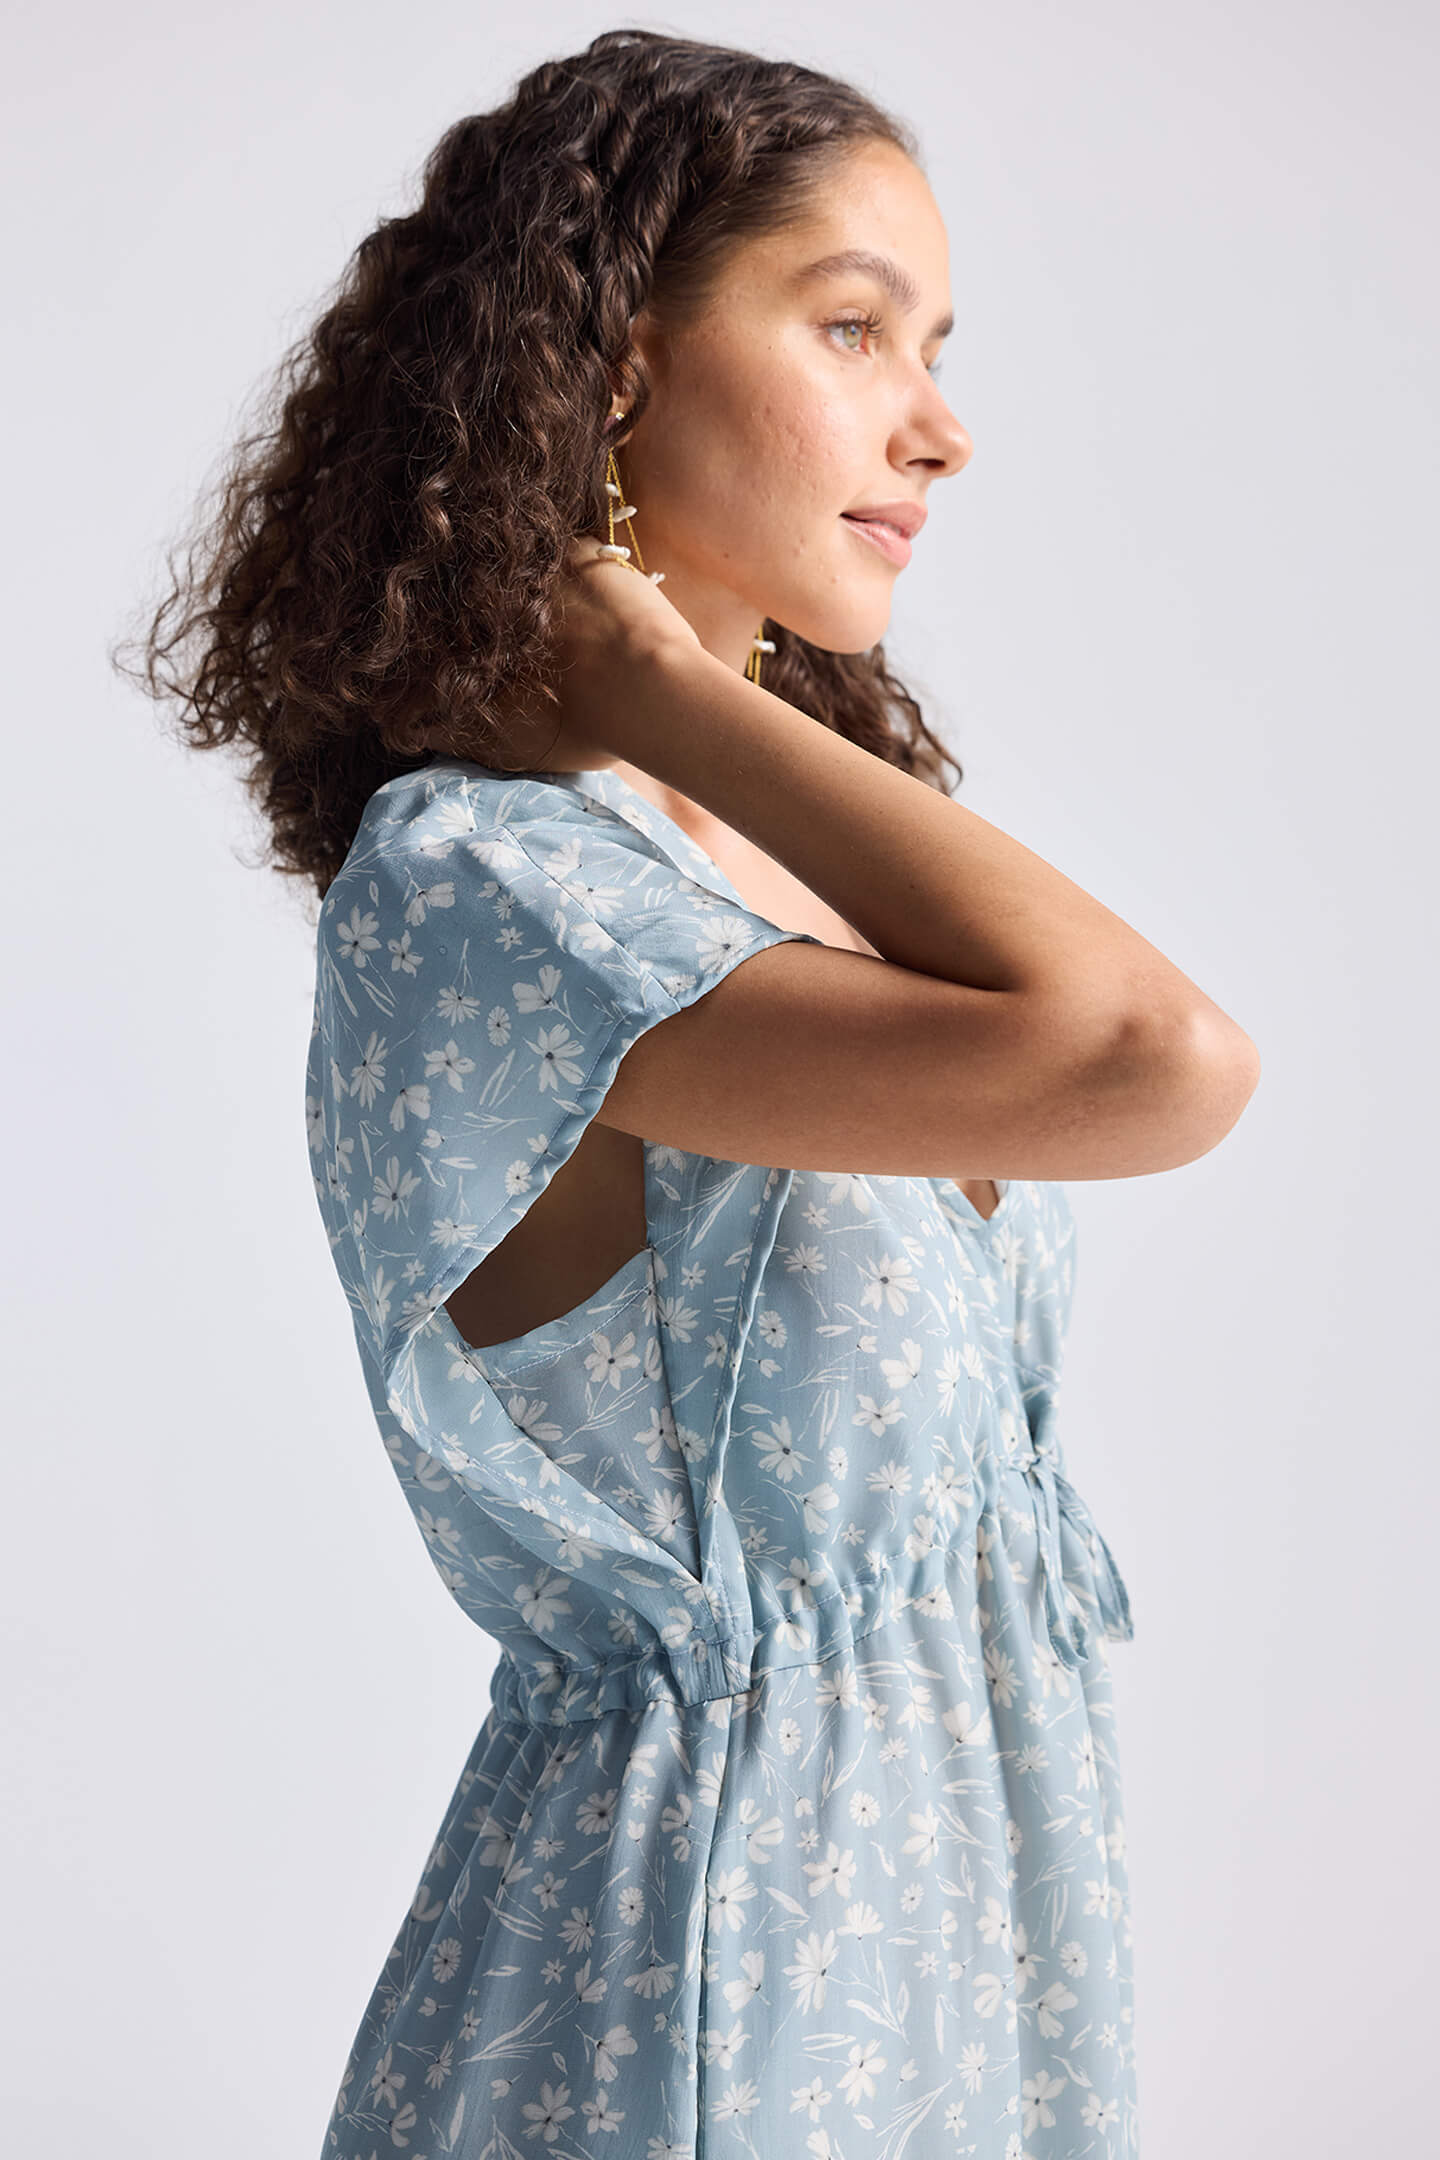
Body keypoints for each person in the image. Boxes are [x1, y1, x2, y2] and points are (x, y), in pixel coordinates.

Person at [117, 29, 1259, 2157]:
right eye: (852, 327)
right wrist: (644, 676)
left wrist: (696, 719)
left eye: (936, 342)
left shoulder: (721, 879)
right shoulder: (496, 888)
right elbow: (1152, 1061)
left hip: (948, 1962)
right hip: (716, 1989)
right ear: (616, 365)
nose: (943, 422)